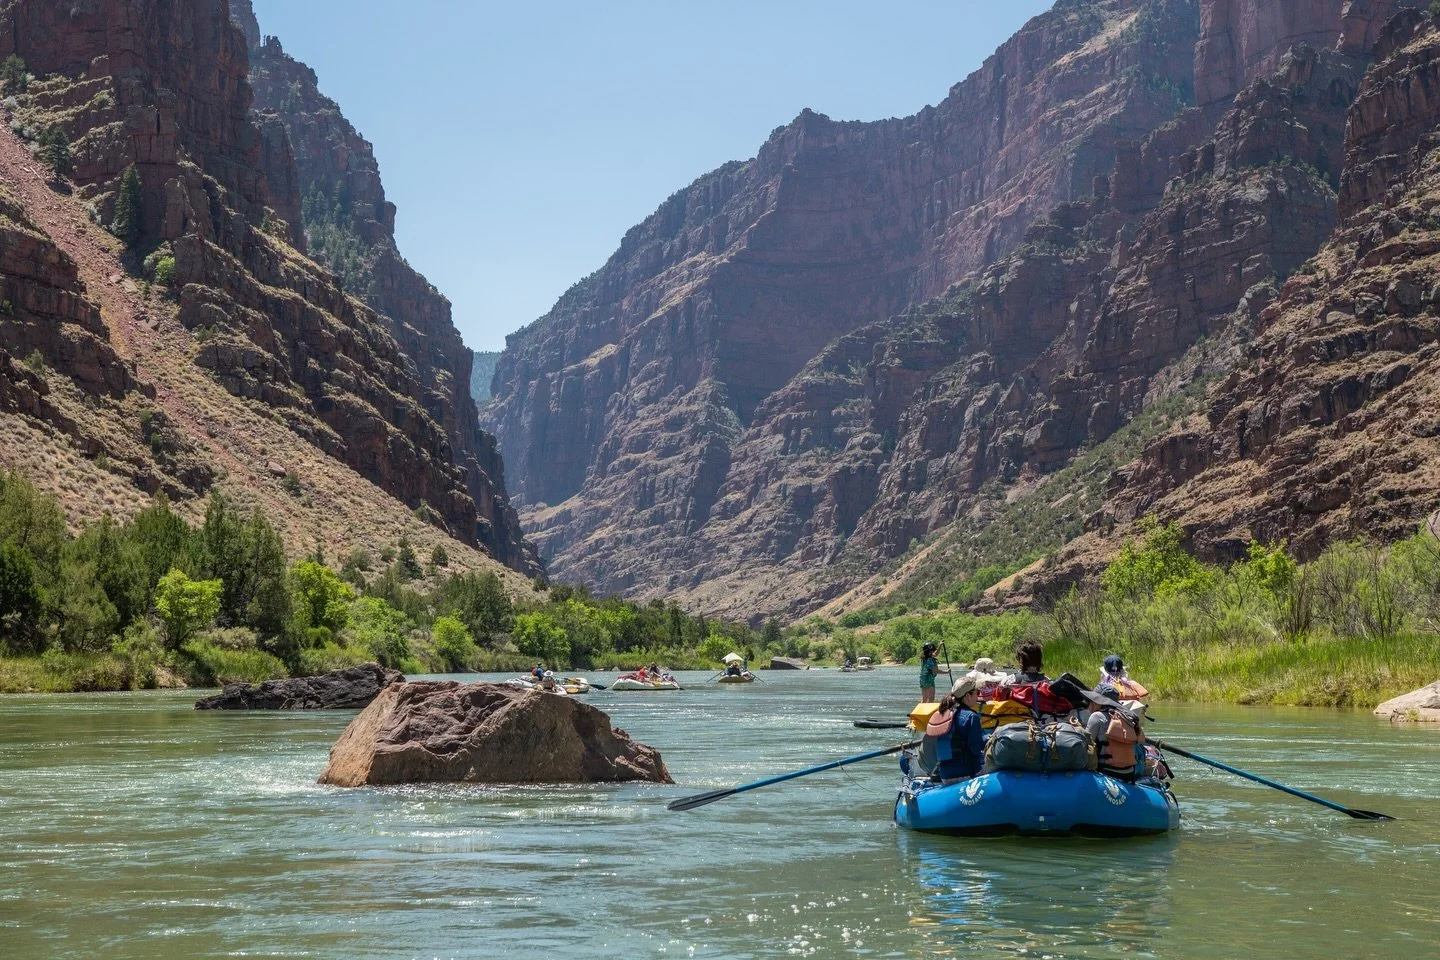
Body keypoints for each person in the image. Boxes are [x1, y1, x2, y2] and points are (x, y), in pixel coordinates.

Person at [923, 676, 986, 782]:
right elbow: (975, 748)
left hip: (945, 774)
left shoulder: (944, 713)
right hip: (965, 772)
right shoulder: (971, 717)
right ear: (967, 696)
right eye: (977, 692)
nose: (978, 696)